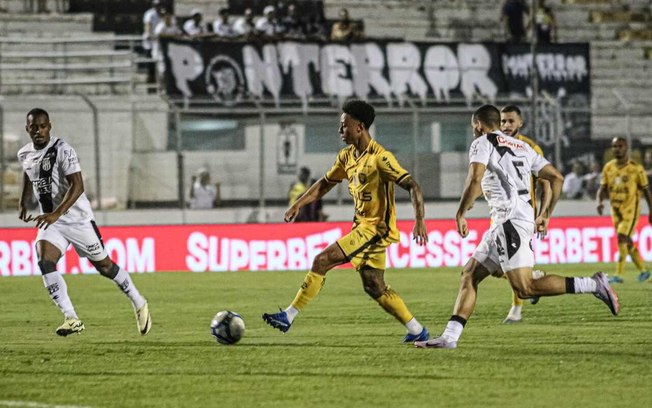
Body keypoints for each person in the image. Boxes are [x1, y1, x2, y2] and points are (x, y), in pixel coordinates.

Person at [415, 105, 620, 349]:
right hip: (507, 221)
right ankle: (449, 337)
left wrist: (461, 212)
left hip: (509, 221)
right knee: (470, 274)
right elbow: (556, 177)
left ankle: (595, 284)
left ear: (479, 125)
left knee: (525, 288)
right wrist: (546, 214)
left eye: (474, 127)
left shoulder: (482, 142)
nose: (474, 131)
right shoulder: (523, 147)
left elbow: (474, 178)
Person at [263, 99, 430, 343]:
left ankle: (288, 315)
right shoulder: (347, 157)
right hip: (362, 227)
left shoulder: (381, 158)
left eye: (344, 126)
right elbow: (324, 184)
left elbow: (412, 185)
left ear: (359, 127)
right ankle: (417, 330)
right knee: (374, 286)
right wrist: (298, 203)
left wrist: (420, 220)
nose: (340, 131)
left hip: (375, 229)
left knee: (322, 260)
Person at [17, 108, 151, 337]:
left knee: (105, 267)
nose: (38, 131)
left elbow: (78, 186)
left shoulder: (63, 150)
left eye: (42, 126)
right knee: (45, 261)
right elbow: (29, 173)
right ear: (27, 129)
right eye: (33, 127)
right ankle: (71, 318)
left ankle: (139, 302)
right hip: (53, 222)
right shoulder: (24, 154)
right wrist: (22, 202)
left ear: (50, 126)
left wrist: (57, 213)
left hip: (77, 220)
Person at [499, 105, 552, 323]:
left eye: (511, 121)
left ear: (520, 123)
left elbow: (546, 183)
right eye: (503, 121)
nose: (506, 126)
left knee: (509, 262)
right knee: (499, 265)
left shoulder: (530, 148)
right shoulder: (494, 144)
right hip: (500, 214)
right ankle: (534, 280)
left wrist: (543, 214)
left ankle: (516, 309)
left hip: (522, 215)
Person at [596, 137, 652, 284]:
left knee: (621, 237)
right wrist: (600, 202)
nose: (617, 149)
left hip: (631, 211)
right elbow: (602, 188)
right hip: (616, 211)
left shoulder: (636, 169)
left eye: (620, 146)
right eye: (614, 146)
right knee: (627, 241)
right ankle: (644, 271)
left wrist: (651, 210)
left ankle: (618, 275)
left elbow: (646, 191)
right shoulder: (608, 167)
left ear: (626, 148)